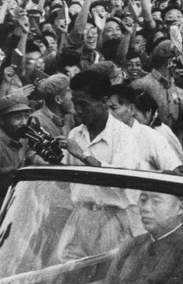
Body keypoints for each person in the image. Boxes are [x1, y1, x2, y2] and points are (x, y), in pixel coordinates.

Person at [56, 70, 142, 262]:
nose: (77, 110)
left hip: (112, 219)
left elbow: (120, 180)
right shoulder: (75, 135)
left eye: (83, 104)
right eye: (75, 103)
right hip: (79, 219)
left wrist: (83, 155)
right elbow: (66, 183)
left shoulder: (124, 136)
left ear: (103, 101)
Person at [104, 192, 183, 284]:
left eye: (156, 202)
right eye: (143, 200)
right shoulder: (132, 244)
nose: (145, 208)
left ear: (181, 208)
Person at [107, 84, 183, 172]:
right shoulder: (106, 136)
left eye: (114, 108)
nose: (108, 114)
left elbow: (175, 173)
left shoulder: (152, 137)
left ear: (131, 109)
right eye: (106, 109)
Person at [0, 94, 31, 202]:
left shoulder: (23, 138)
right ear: (1, 120)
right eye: (17, 118)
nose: (24, 123)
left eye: (26, 116)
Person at [29, 74, 75, 141]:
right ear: (58, 100)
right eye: (71, 93)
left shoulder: (69, 117)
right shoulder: (36, 122)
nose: (75, 98)